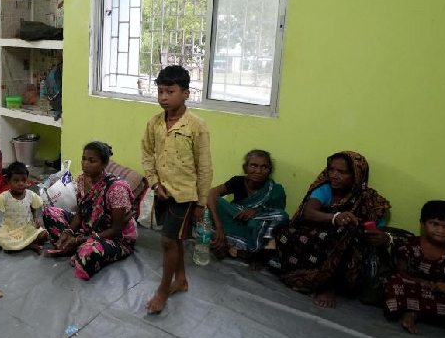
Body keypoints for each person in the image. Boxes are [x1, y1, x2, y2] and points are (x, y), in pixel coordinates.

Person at [273, 151, 391, 308]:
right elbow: (309, 212)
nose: (334, 175)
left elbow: (378, 229)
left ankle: (328, 285)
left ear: (356, 175)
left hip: (348, 248)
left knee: (344, 234)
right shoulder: (324, 188)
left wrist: (384, 237)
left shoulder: (370, 200)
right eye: (331, 169)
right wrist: (335, 218)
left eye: (342, 172)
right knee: (282, 230)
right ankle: (300, 275)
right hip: (316, 237)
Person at [141, 65, 212, 314]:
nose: (163, 97)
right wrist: (153, 183)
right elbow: (148, 154)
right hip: (162, 192)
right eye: (159, 91)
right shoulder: (154, 124)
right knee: (175, 241)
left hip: (184, 196)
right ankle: (181, 280)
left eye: (169, 91)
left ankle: (162, 290)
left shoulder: (196, 126)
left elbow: (204, 167)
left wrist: (202, 203)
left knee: (168, 241)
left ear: (186, 93)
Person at [43, 142, 138, 280]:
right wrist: (68, 232)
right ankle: (72, 244)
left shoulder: (116, 188)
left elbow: (116, 229)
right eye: (84, 159)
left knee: (88, 253)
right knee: (50, 213)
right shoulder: (82, 179)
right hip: (88, 227)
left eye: (92, 161)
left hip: (114, 237)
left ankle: (78, 247)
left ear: (104, 164)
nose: (85, 164)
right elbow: (81, 212)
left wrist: (78, 239)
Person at [384, 200, 445, 334]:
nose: (441, 230)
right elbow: (401, 272)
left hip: (437, 293)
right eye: (435, 224)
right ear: (422, 223)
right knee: (394, 282)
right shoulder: (409, 245)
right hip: (413, 288)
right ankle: (415, 312)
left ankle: (418, 312)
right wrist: (420, 282)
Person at [208, 149, 289, 259]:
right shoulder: (238, 181)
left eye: (264, 167)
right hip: (235, 220)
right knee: (213, 203)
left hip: (255, 230)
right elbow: (211, 194)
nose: (258, 171)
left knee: (282, 215)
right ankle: (234, 246)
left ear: (269, 171)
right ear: (245, 168)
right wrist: (219, 227)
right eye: (253, 166)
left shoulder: (275, 190)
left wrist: (256, 213)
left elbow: (277, 218)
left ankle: (246, 250)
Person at [0, 162, 47, 253]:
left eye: (24, 180)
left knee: (44, 235)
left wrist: (36, 218)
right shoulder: (4, 197)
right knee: (5, 242)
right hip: (10, 230)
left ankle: (21, 246)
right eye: (16, 180)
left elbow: (33, 208)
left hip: (27, 227)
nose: (21, 183)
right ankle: (29, 246)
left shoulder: (30, 195)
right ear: (8, 181)